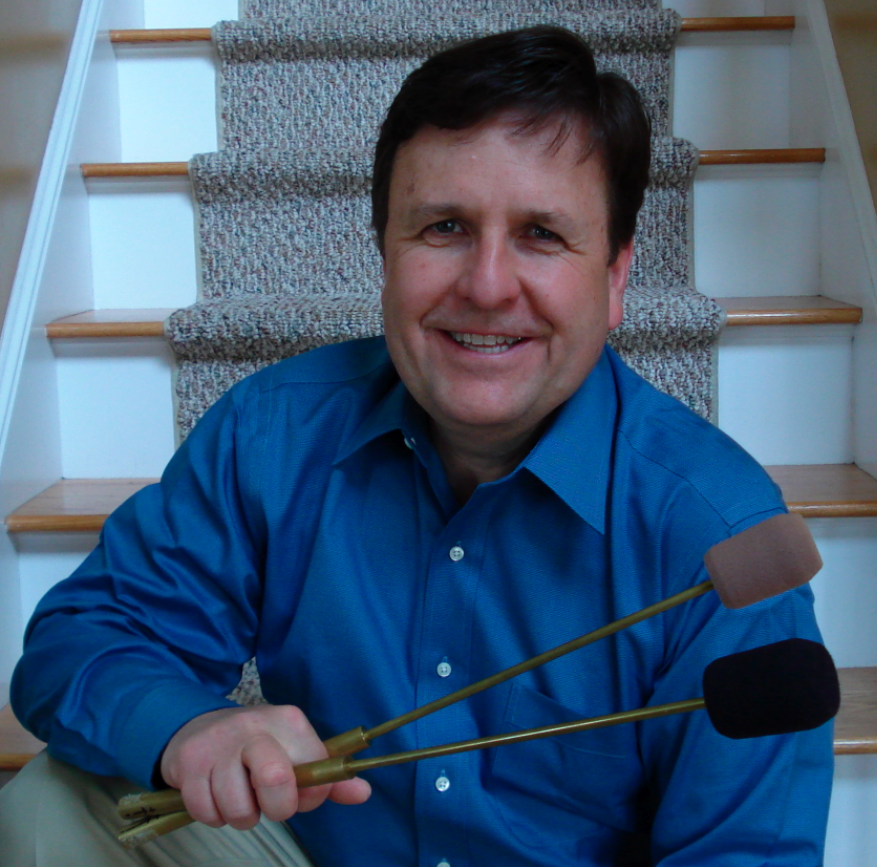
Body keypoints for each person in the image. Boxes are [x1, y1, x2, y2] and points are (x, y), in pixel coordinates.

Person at [0, 26, 832, 867]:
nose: (486, 285)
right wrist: (190, 728)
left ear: (615, 276)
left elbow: (746, 855)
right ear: (386, 252)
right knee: (53, 802)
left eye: (541, 234)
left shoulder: (720, 538)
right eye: (444, 227)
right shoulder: (273, 433)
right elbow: (85, 636)